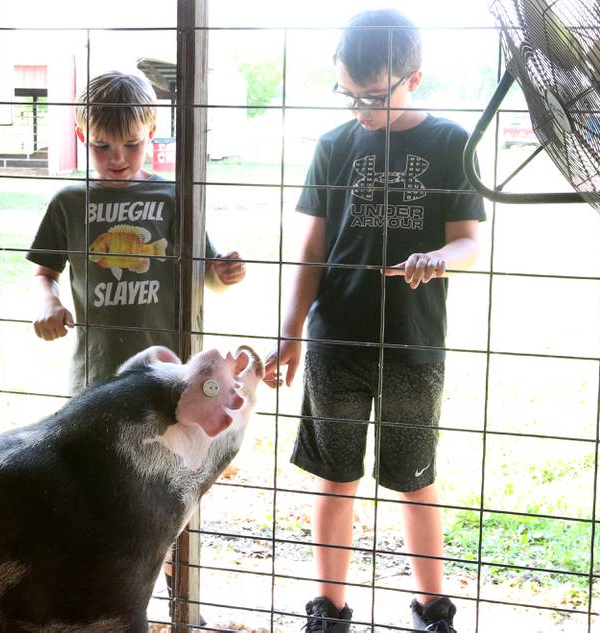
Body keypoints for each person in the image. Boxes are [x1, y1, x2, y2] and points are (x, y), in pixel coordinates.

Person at [262, 9, 485, 632]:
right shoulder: (334, 147)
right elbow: (310, 252)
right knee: (334, 479)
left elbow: (468, 242)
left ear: (414, 77)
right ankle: (328, 610)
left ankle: (432, 608)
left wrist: (436, 259)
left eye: (373, 96)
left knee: (415, 480)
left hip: (414, 345)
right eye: (348, 94)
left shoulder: (449, 143)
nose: (360, 108)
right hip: (337, 341)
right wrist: (290, 333)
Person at [27, 70, 245, 396]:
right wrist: (49, 303)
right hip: (97, 371)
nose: (118, 158)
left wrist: (223, 274)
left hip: (167, 369)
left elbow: (206, 276)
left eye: (132, 144)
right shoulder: (68, 201)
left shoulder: (173, 197)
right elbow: (45, 273)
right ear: (82, 134)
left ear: (151, 132)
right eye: (102, 145)